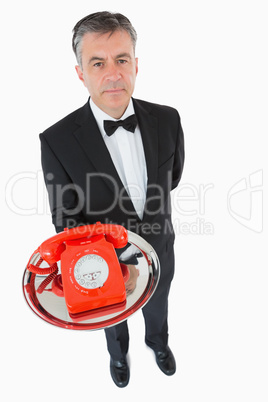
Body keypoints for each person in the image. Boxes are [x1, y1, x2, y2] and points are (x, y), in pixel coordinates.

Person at [40, 11, 184, 388]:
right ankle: (118, 355)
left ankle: (158, 343)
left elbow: (173, 177)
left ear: (135, 64)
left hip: (159, 247)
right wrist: (102, 263)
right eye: (98, 63)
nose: (113, 73)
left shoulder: (168, 119)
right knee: (112, 318)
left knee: (158, 307)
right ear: (80, 73)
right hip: (102, 264)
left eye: (121, 60)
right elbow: (65, 217)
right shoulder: (55, 140)